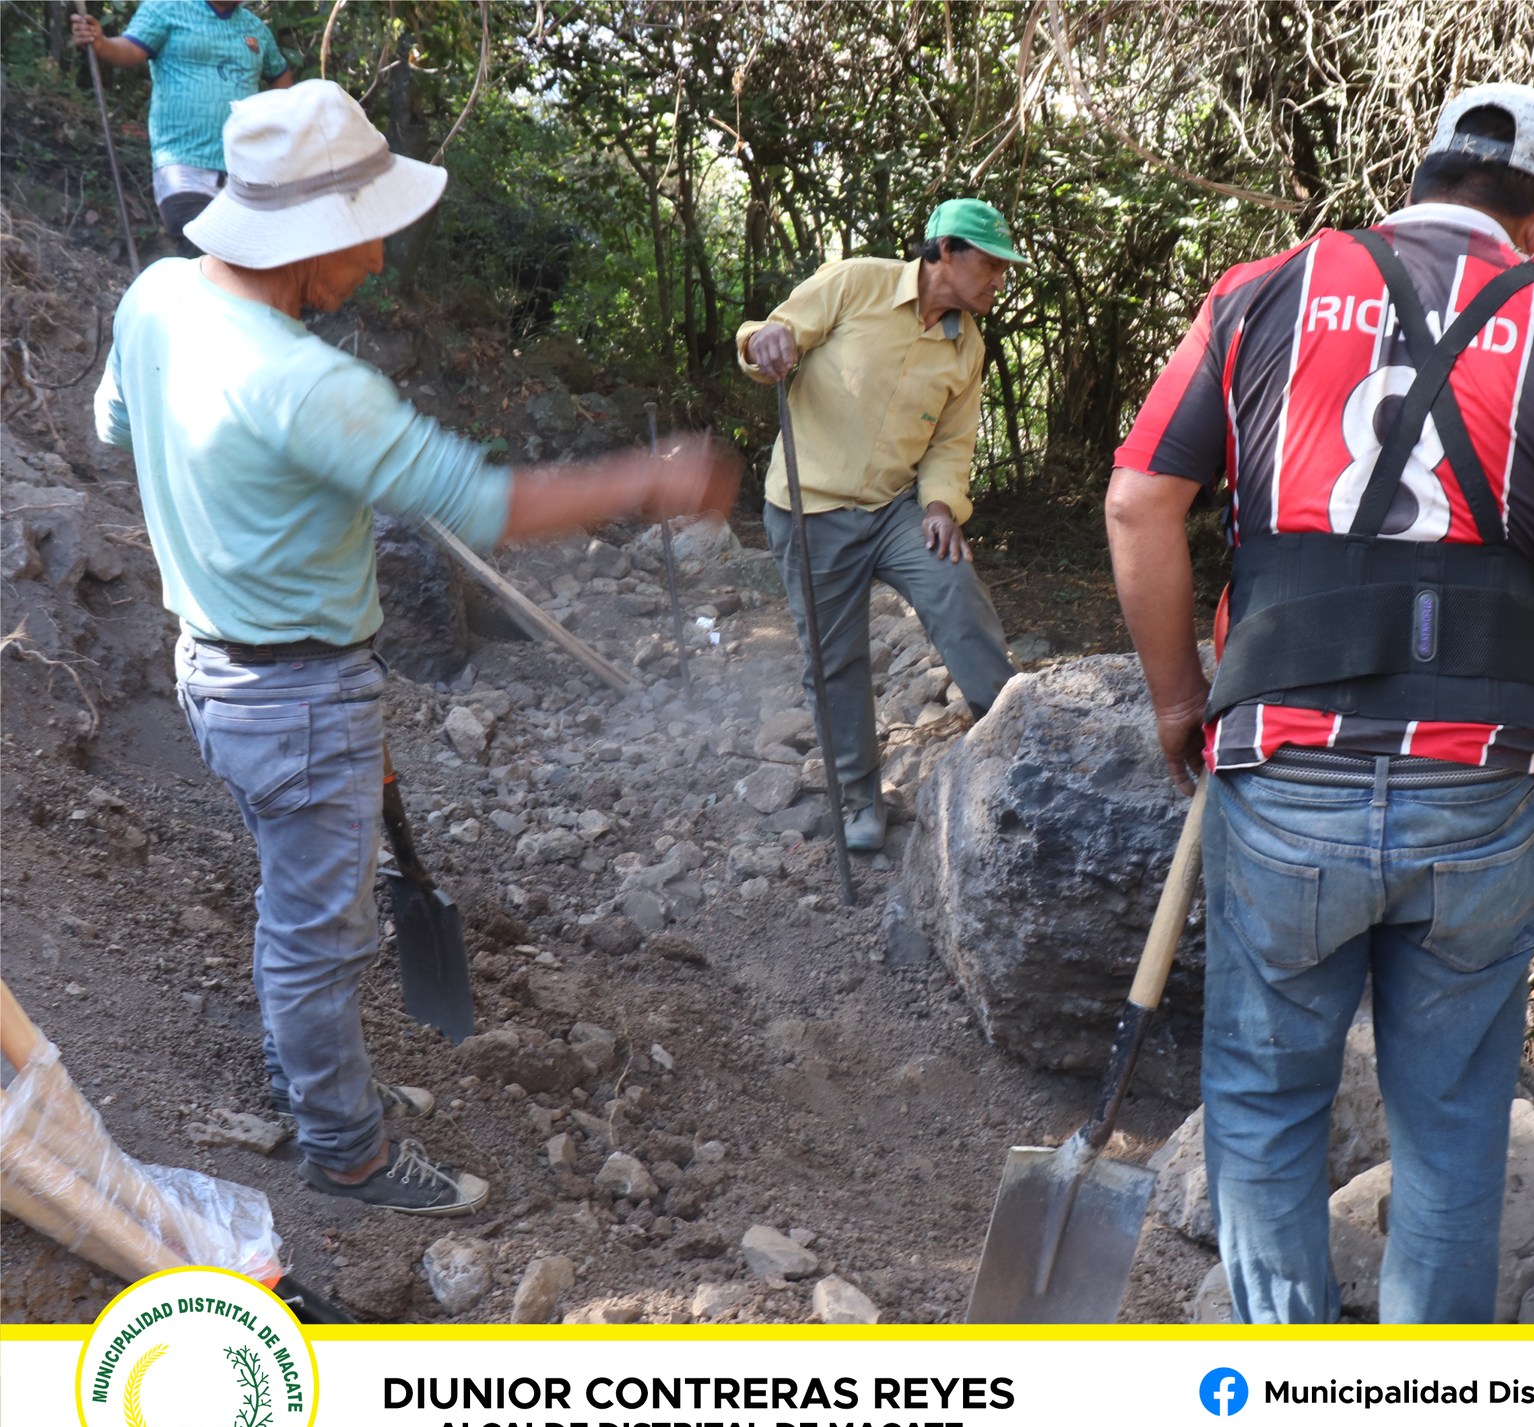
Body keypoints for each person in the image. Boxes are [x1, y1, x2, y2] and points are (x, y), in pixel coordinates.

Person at [93, 81, 740, 1216]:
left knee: (300, 897)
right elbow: (478, 502)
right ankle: (344, 1145)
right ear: (312, 239)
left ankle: (317, 1067)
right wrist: (649, 478)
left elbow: (113, 424)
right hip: (295, 693)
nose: (382, 261)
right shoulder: (306, 384)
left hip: (216, 670)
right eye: (370, 235)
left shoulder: (156, 300)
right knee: (319, 934)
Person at [1105, 84, 1534, 1324]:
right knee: (1452, 1127)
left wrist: (1176, 701)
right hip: (1482, 784)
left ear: (1425, 173)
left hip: (1281, 758)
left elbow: (1138, 501)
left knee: (1265, 1103)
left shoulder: (1262, 292)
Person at [735, 199, 1022, 851]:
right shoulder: (854, 283)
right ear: (946, 252)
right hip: (812, 507)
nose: (1000, 280)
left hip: (897, 510)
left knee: (956, 593)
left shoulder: (966, 345)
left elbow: (952, 443)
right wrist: (764, 344)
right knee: (835, 658)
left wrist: (943, 505)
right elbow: (768, 337)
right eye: (992, 265)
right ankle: (860, 799)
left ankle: (1019, 746)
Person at [72, 2, 294, 253]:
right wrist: (101, 43)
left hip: (244, 171)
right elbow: (130, 48)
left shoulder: (254, 28)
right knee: (204, 253)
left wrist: (275, 122)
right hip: (184, 166)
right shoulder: (167, 7)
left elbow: (280, 74)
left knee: (244, 262)